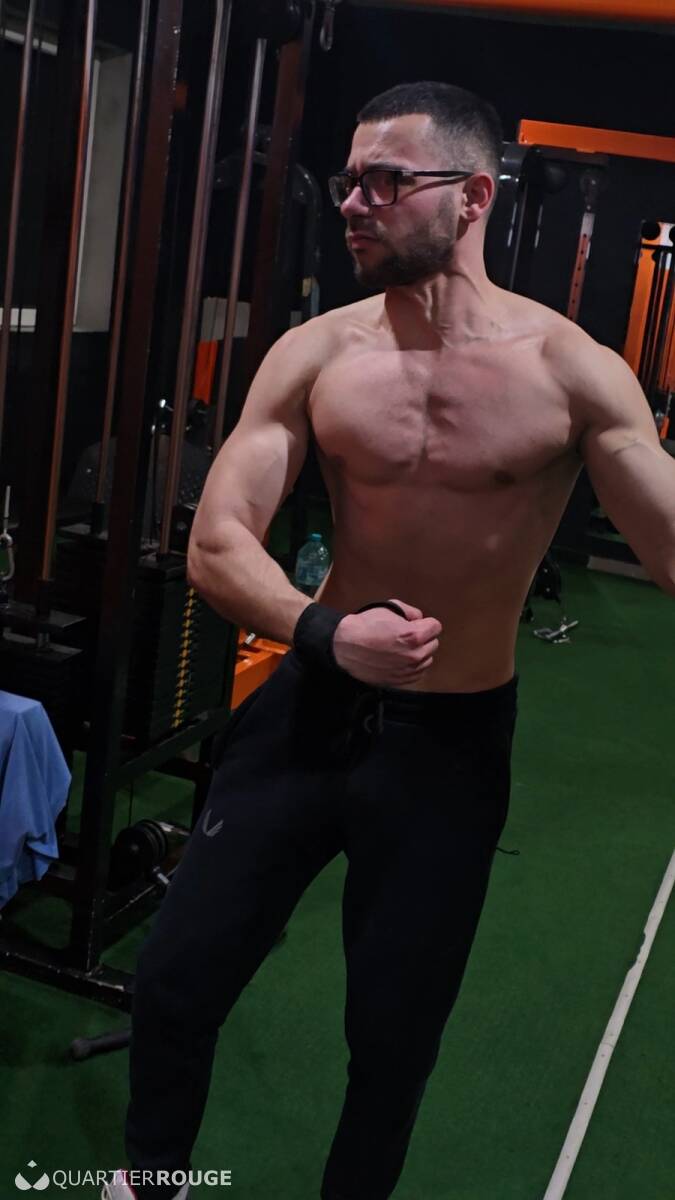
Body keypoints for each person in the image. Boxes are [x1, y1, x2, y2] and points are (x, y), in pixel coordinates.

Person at [105, 82, 675, 1200]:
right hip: (309, 708)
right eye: (348, 181)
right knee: (175, 978)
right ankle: (150, 1183)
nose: (352, 203)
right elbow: (217, 543)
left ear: (472, 197)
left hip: (449, 746)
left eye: (384, 181)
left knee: (394, 1033)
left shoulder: (573, 372)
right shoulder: (315, 353)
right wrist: (322, 632)